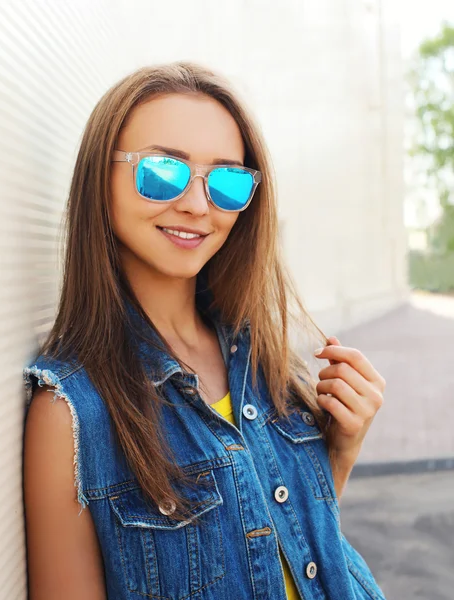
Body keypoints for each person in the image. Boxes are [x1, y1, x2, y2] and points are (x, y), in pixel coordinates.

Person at [23, 61, 387, 600]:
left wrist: (339, 453)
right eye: (162, 172)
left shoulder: (262, 357)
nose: (197, 204)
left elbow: (282, 552)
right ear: (101, 178)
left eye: (228, 180)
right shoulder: (72, 414)